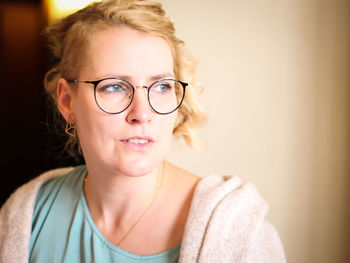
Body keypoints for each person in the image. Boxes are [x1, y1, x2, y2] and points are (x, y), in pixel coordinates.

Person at [0, 0, 286, 262]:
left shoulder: (239, 236)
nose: (142, 114)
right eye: (114, 86)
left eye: (161, 87)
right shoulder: (27, 214)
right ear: (67, 101)